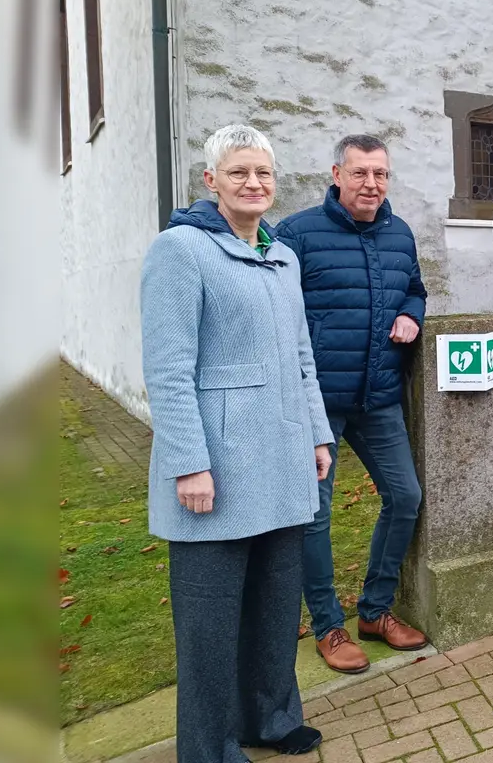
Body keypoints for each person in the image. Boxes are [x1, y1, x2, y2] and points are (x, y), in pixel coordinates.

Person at [140, 124, 335, 761]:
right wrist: (187, 463)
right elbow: (168, 370)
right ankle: (208, 747)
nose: (253, 184)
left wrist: (317, 436)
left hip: (282, 461)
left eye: (263, 174)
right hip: (217, 470)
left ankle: (272, 719)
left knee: (278, 604)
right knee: (210, 624)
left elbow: (303, 357)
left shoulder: (283, 258)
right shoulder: (182, 250)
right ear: (211, 181)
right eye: (238, 173)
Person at [276, 134, 428, 672]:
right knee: (315, 516)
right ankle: (328, 626)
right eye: (361, 173)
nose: (372, 184)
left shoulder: (399, 232)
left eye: (381, 174)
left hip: (377, 396)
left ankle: (375, 611)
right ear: (336, 174)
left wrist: (412, 312)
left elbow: (415, 288)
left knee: (405, 497)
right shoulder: (295, 235)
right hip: (314, 403)